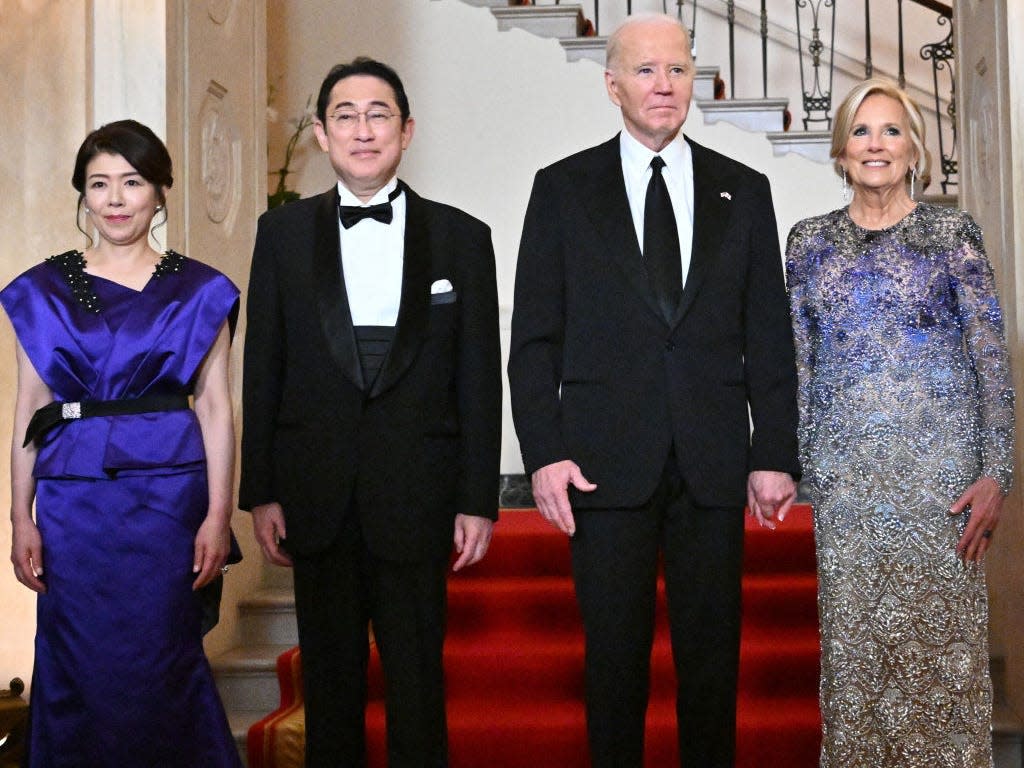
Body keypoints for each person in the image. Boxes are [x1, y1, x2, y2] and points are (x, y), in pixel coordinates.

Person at [507, 13, 800, 768]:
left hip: (712, 464)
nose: (664, 85)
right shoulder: (563, 189)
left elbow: (767, 335)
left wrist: (774, 452)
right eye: (645, 70)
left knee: (712, 667)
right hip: (602, 465)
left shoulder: (746, 191)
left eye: (676, 69)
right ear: (612, 85)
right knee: (613, 666)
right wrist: (544, 453)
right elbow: (533, 341)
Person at [239, 57, 501, 768]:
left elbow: (479, 379)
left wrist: (478, 499)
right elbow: (263, 364)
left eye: (378, 113)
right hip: (316, 492)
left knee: (419, 685)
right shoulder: (282, 235)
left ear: (407, 130)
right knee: (330, 689)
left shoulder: (462, 238)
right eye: (345, 115)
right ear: (322, 134)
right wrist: (259, 489)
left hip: (418, 491)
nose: (363, 129)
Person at [785, 77, 1014, 768]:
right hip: (849, 492)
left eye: (890, 131)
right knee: (855, 664)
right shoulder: (807, 243)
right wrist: (805, 469)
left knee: (938, 664)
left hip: (940, 492)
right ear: (841, 147)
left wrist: (997, 471)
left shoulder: (952, 234)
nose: (875, 144)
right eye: (861, 130)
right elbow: (797, 365)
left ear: (914, 148)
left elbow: (991, 359)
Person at [1, 120, 242, 767]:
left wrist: (219, 515)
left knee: (163, 658)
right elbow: (30, 406)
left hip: (168, 501)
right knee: (75, 659)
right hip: (72, 505)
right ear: (82, 195)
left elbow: (217, 407)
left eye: (132, 182)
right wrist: (19, 518)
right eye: (99, 184)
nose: (115, 198)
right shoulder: (42, 291)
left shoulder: (201, 289)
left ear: (160, 193)